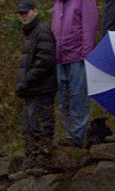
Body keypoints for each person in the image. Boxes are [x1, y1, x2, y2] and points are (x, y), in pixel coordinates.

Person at [11, 0, 58, 180]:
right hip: (32, 90)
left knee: (42, 125)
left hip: (42, 89)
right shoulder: (31, 33)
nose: (23, 16)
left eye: (26, 12)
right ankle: (30, 163)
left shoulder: (42, 31)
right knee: (29, 127)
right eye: (20, 13)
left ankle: (43, 162)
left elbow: (45, 61)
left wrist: (27, 81)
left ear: (35, 11)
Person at [52, 0, 99, 148]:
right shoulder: (57, 3)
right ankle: (69, 135)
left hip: (77, 57)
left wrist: (86, 53)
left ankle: (79, 135)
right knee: (63, 99)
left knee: (78, 97)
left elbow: (90, 26)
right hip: (59, 58)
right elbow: (54, 29)